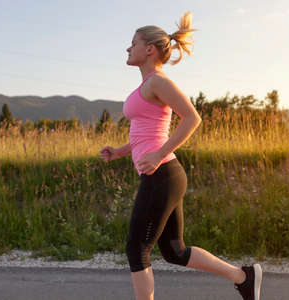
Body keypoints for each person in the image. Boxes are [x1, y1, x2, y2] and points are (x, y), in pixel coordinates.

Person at [100, 11, 262, 300]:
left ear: (149, 49)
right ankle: (243, 276)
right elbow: (143, 134)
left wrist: (160, 153)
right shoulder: (145, 86)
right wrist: (120, 151)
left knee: (137, 250)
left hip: (163, 174)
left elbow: (192, 118)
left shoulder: (158, 81)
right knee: (174, 251)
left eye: (133, 43)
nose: (128, 48)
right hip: (163, 174)